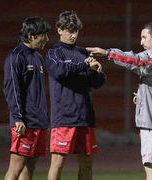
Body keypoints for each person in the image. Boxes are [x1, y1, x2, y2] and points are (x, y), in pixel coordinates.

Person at [87, 21, 152, 180]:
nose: (141, 42)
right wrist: (145, 97)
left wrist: (108, 53)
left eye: (144, 37)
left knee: (151, 166)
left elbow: (137, 61)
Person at [45, 10, 105, 180]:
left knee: (87, 162)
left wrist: (96, 71)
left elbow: (98, 83)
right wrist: (84, 65)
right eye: (69, 31)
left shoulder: (83, 53)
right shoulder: (54, 53)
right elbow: (59, 71)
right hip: (64, 117)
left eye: (75, 31)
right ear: (59, 30)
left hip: (85, 117)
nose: (73, 35)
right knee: (57, 162)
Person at [3, 16, 51, 180]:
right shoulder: (15, 57)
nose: (46, 39)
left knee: (30, 165)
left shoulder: (38, 57)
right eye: (43, 35)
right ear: (31, 36)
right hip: (24, 122)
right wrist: (17, 118)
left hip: (39, 121)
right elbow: (12, 90)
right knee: (15, 167)